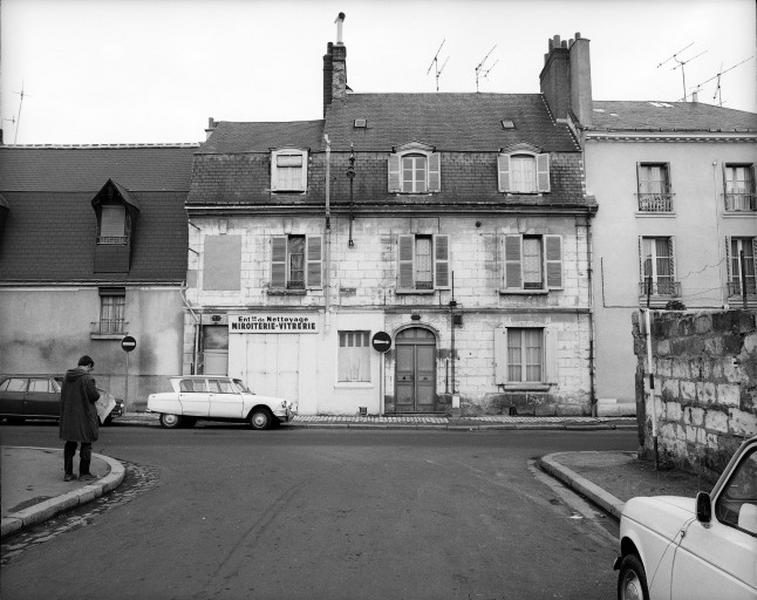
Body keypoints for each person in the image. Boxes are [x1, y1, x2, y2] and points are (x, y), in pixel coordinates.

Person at [59, 355, 100, 481]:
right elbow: (94, 396)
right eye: (90, 369)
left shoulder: (67, 377)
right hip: (84, 416)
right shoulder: (87, 379)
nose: (90, 371)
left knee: (70, 444)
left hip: (69, 417)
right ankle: (84, 473)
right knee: (86, 444)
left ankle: (68, 474)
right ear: (88, 365)